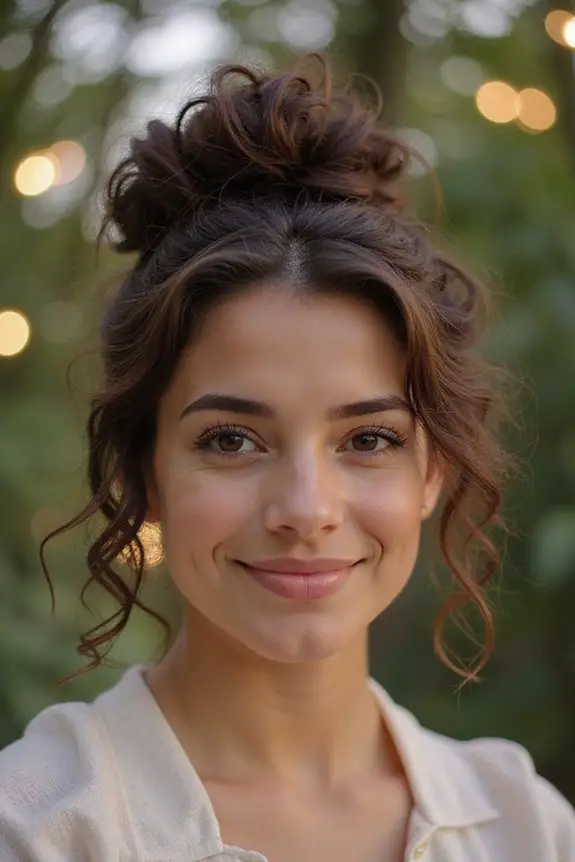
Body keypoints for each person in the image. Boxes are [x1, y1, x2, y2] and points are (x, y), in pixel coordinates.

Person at [1, 53, 573, 862]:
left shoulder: (523, 826)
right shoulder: (37, 829)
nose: (306, 508)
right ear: (143, 471)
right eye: (230, 440)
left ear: (432, 471)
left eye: (368, 439)